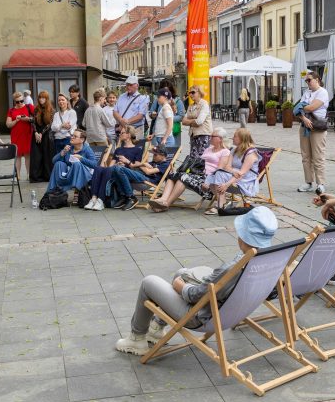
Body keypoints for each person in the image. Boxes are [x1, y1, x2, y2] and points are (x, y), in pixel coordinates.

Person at [115, 206, 279, 355]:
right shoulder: (270, 258)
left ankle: (136, 340)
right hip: (231, 312)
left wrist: (182, 287)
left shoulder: (234, 267)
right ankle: (156, 327)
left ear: (241, 236)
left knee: (148, 282)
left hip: (203, 316)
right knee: (182, 273)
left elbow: (195, 296)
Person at [149, 127, 229, 212]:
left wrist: (208, 181)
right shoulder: (208, 149)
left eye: (213, 136)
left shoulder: (225, 152)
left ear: (220, 139)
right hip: (197, 175)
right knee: (172, 175)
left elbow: (219, 170)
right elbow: (199, 163)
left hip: (207, 181)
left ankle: (166, 204)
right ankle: (163, 200)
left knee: (183, 177)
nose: (210, 137)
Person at [202, 128, 259, 215]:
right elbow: (227, 167)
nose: (232, 138)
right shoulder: (234, 150)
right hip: (234, 176)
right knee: (217, 173)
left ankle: (220, 205)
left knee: (219, 174)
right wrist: (233, 171)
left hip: (246, 181)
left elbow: (242, 174)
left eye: (235, 136)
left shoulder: (251, 153)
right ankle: (221, 203)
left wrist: (227, 184)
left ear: (241, 138)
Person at [84, 127, 143, 211]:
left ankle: (100, 200)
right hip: (115, 170)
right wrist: (117, 164)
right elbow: (111, 165)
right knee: (98, 168)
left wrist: (126, 162)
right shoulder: (118, 149)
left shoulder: (137, 149)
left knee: (108, 170)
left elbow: (137, 165)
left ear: (129, 135)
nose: (119, 134)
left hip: (126, 172)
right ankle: (93, 199)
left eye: (122, 133)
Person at [297, 72, 329, 194]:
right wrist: (304, 118)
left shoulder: (323, 92)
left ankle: (320, 183)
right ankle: (308, 182)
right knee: (306, 156)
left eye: (309, 80)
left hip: (317, 127)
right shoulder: (306, 92)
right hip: (304, 126)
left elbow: (310, 108)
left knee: (318, 155)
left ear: (317, 80)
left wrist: (302, 106)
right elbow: (297, 109)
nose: (307, 83)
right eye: (306, 81)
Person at [111, 146, 171, 211]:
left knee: (119, 169)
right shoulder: (153, 162)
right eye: (153, 154)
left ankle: (131, 197)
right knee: (115, 168)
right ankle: (124, 196)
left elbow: (148, 172)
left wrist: (142, 165)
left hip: (148, 181)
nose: (153, 156)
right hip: (140, 177)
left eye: (155, 155)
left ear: (163, 155)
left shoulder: (166, 164)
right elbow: (134, 166)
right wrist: (143, 165)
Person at [47, 129, 96, 198]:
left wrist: (81, 158)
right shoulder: (69, 148)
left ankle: (78, 192)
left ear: (82, 140)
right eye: (72, 135)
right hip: (70, 174)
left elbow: (95, 165)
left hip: (84, 175)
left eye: (75, 136)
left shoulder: (87, 149)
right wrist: (63, 152)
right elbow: (53, 161)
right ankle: (52, 192)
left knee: (77, 164)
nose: (72, 137)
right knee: (59, 164)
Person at [6, 91, 34, 179]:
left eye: (21, 101)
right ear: (14, 101)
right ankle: (17, 175)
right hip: (16, 135)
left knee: (27, 155)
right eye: (17, 102)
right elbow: (8, 124)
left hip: (27, 134)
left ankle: (29, 174)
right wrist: (16, 120)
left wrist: (28, 119)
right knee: (17, 155)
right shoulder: (11, 110)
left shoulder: (29, 107)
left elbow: (36, 118)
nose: (20, 103)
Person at [29, 91, 55, 183]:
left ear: (47, 99)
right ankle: (36, 177)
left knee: (47, 156)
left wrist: (41, 134)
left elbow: (50, 124)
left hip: (47, 135)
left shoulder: (51, 110)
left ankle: (47, 176)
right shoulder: (36, 109)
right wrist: (36, 132)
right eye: (40, 97)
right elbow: (33, 122)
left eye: (43, 98)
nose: (41, 99)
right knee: (36, 156)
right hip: (36, 135)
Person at [113, 75, 149, 141]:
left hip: (136, 130)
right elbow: (115, 111)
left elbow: (140, 116)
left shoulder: (143, 98)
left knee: (135, 150)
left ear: (137, 85)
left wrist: (126, 122)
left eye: (131, 85)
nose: (128, 87)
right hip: (122, 131)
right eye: (127, 85)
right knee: (121, 150)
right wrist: (121, 120)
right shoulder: (121, 96)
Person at [181, 84, 212, 159]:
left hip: (203, 135)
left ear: (199, 92)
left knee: (202, 160)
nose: (191, 94)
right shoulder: (191, 106)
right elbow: (183, 121)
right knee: (193, 159)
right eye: (189, 93)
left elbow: (199, 121)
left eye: (193, 92)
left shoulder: (204, 104)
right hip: (193, 135)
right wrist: (194, 121)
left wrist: (189, 121)